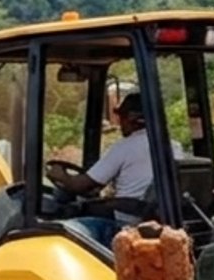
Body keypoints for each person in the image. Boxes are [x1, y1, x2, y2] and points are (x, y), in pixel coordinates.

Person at [50, 91, 181, 213]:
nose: (120, 124)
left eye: (121, 117)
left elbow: (79, 186)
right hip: (155, 216)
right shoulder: (174, 146)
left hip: (125, 219)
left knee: (67, 222)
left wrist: (60, 175)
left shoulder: (125, 147)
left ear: (131, 119)